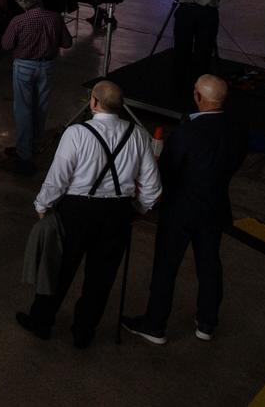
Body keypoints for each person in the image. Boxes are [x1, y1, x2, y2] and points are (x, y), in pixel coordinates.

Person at [17, 81, 161, 348]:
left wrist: (42, 205)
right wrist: (138, 210)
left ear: (94, 103)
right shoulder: (139, 134)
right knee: (101, 277)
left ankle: (42, 321)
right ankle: (84, 332)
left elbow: (58, 178)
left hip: (77, 211)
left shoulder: (77, 133)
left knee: (59, 270)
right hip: (117, 213)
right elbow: (152, 187)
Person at [122, 75, 248, 345]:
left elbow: (166, 172)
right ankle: (206, 322)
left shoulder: (187, 133)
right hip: (215, 207)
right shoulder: (237, 130)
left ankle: (155, 324)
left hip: (180, 209)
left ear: (199, 97)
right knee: (209, 264)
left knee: (166, 266)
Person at [0, 0, 73, 174]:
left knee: (23, 108)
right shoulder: (55, 17)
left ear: (21, 3)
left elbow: (6, 44)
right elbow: (67, 43)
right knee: (41, 106)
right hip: (47, 67)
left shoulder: (18, 21)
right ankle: (36, 144)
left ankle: (24, 152)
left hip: (24, 67)